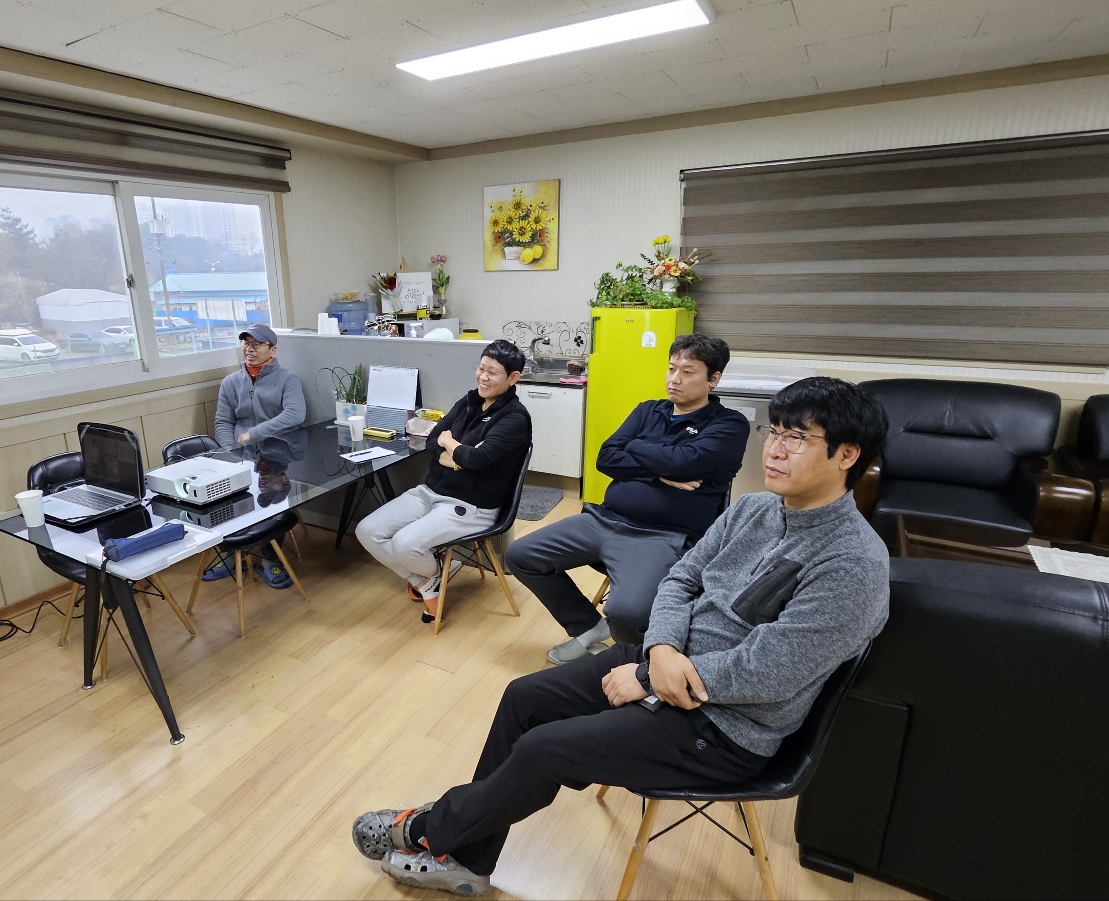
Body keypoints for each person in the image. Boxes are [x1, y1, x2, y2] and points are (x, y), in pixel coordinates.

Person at [350, 376, 891, 896]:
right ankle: (468, 856)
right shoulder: (755, 509)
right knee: (524, 697)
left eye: (797, 438)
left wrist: (647, 679)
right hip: (667, 664)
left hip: (725, 727)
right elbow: (681, 579)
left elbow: (767, 674)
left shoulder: (852, 564)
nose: (774, 449)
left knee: (543, 749)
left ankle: (429, 831)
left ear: (847, 455)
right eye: (774, 432)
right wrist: (659, 653)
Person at [506, 333, 748, 661]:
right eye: (671, 368)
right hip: (603, 519)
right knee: (521, 555)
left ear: (713, 379)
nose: (675, 379)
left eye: (688, 372)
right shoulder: (648, 410)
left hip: (661, 535)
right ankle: (588, 627)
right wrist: (659, 472)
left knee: (627, 613)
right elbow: (606, 457)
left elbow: (685, 463)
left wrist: (635, 446)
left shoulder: (729, 424)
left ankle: (631, 662)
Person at [356, 340, 532, 621]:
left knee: (404, 544)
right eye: (481, 368)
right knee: (367, 531)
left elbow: (476, 459)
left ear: (513, 378)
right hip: (431, 491)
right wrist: (459, 455)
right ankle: (429, 580)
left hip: (472, 505)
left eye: (493, 372)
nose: (483, 377)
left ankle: (430, 580)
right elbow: (432, 441)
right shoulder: (469, 401)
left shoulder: (515, 418)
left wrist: (451, 443)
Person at [205, 323, 306, 589]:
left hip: (278, 454)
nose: (249, 349)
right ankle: (232, 554)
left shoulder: (287, 379)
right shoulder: (230, 382)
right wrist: (231, 454)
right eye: (246, 343)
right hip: (241, 457)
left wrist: (254, 434)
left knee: (275, 497)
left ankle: (270, 557)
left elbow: (295, 414)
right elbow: (223, 422)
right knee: (227, 499)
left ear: (273, 350)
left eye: (257, 344)